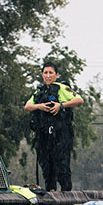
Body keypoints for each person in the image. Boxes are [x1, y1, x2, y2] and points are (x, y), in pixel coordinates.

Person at [24, 62, 84, 192]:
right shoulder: (39, 91)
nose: (48, 75)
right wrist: (39, 106)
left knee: (62, 169)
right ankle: (51, 203)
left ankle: (65, 203)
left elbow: (79, 100)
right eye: (45, 72)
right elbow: (27, 106)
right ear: (42, 74)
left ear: (56, 75)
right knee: (48, 170)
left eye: (51, 72)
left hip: (61, 136)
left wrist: (60, 105)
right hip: (44, 138)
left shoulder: (62, 88)